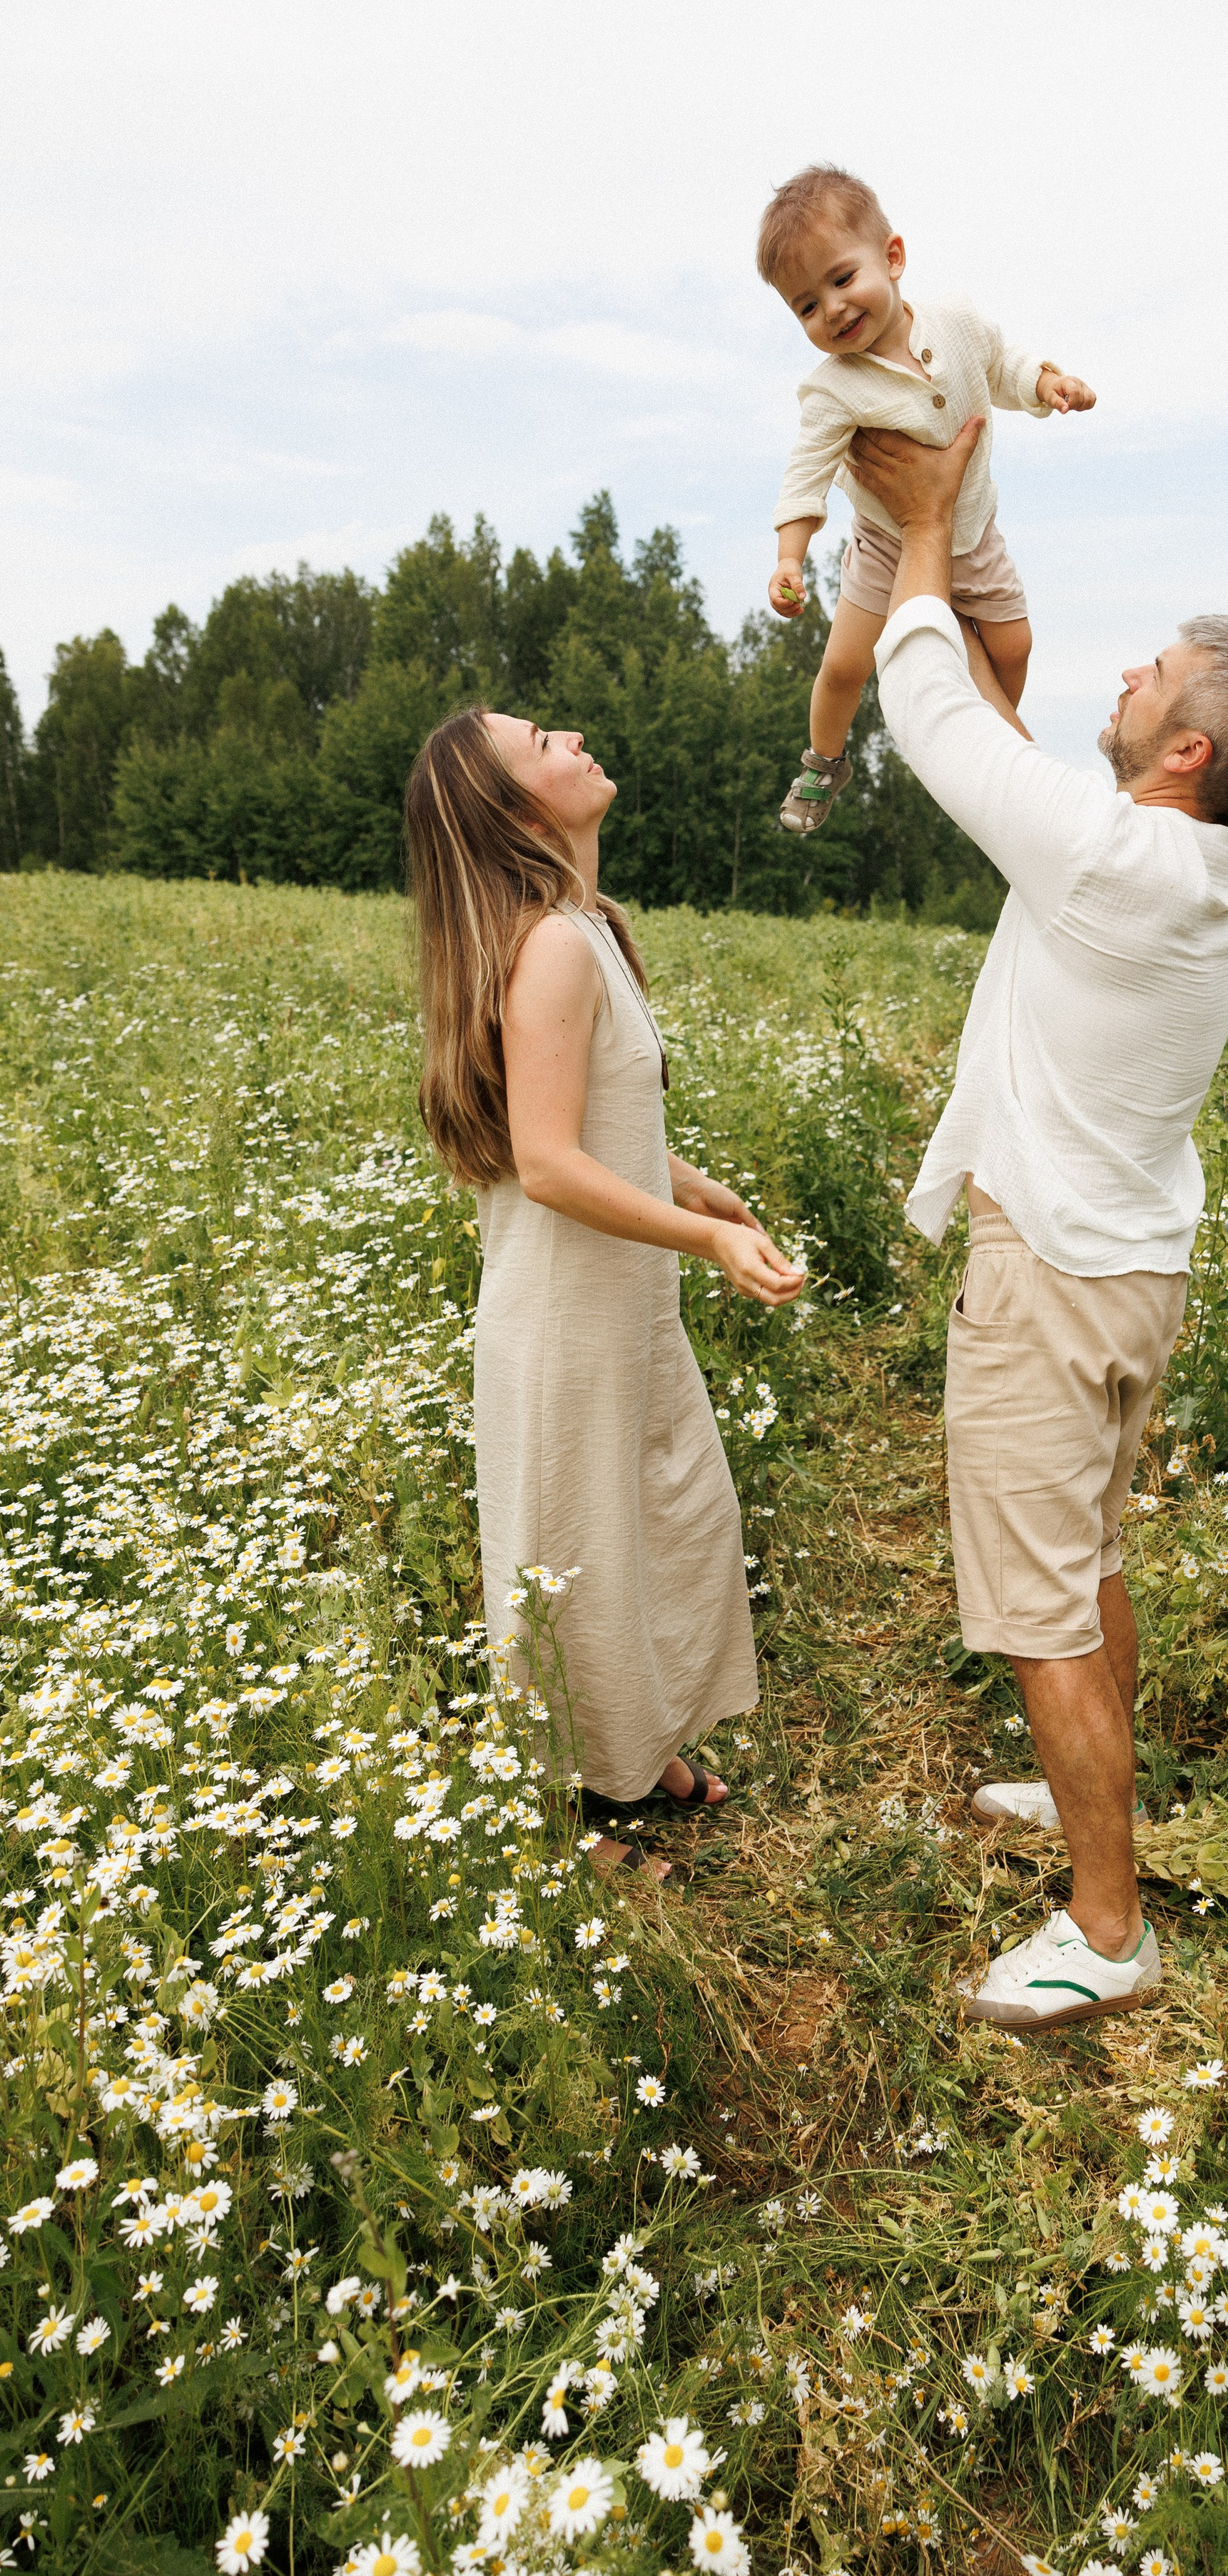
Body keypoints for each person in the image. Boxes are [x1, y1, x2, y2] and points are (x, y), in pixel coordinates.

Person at [853, 415, 1228, 2031]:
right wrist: (967, 563)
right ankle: (1085, 1799)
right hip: (1127, 1272)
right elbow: (1014, 765)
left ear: (1186, 748)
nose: (1123, 677)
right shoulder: (1200, 875)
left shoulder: (1112, 861)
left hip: (1050, 1279)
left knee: (1040, 1598)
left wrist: (920, 522)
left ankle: (1104, 1927)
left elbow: (928, 716)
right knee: (1095, 1550)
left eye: (1151, 674)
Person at [405, 708, 804, 1877]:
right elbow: (546, 1164)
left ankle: (631, 1753)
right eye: (542, 741)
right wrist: (704, 1241)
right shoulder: (555, 950)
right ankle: (566, 1830)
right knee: (574, 1553)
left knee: (653, 1524)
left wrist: (703, 1192)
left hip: (615, 1305)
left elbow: (597, 1133)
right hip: (568, 1319)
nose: (576, 734)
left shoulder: (587, 928)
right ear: (517, 810)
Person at [757, 161, 1095, 836]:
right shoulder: (832, 390)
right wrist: (790, 557)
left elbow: (1003, 366)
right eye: (806, 306)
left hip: (974, 531)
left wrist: (1048, 384)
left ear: (893, 256)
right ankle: (823, 764)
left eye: (842, 279)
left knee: (1015, 644)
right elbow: (807, 472)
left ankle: (979, 745)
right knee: (846, 666)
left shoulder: (958, 321)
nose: (833, 310)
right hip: (888, 546)